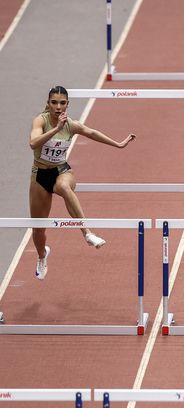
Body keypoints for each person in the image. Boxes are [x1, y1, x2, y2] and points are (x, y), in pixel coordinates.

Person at [28, 86, 136, 280]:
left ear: (67, 105)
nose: (58, 107)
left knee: (63, 186)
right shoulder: (41, 121)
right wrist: (56, 130)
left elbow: (92, 133)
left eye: (62, 103)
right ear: (48, 103)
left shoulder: (71, 124)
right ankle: (42, 255)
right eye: (54, 102)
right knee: (38, 229)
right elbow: (33, 143)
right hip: (40, 175)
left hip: (61, 171)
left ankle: (87, 233)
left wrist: (119, 144)